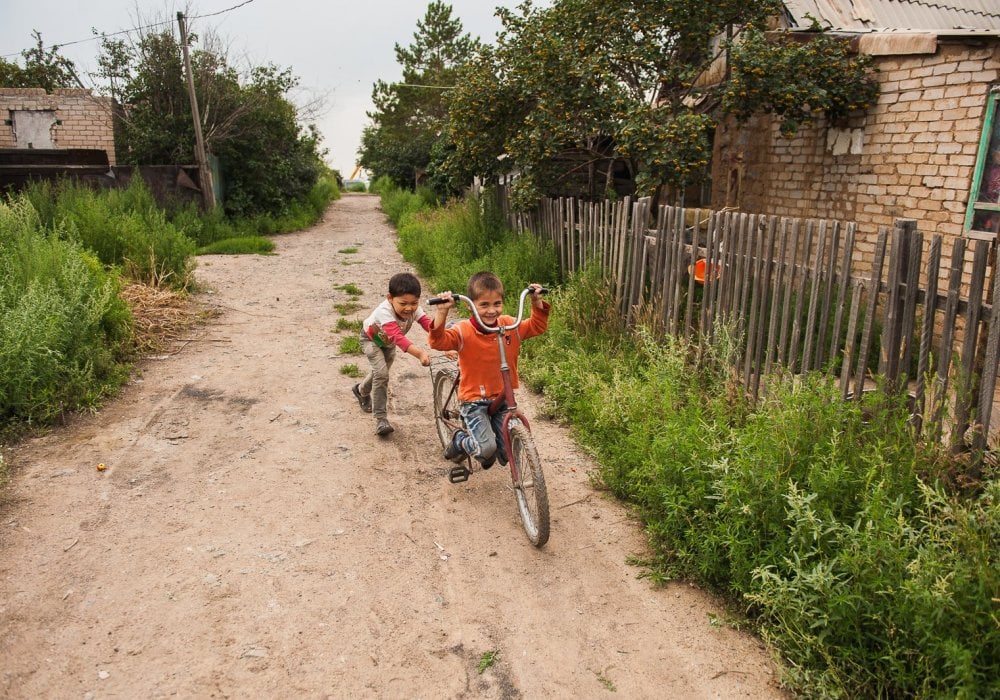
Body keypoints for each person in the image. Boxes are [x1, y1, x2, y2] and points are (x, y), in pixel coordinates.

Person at [428, 272, 550, 468]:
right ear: (470, 306)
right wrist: (442, 312)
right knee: (486, 451)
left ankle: (493, 447)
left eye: (497, 304)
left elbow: (537, 326)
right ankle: (460, 440)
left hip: (502, 398)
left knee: (507, 452)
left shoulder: (510, 324)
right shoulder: (463, 330)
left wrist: (536, 301)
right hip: (474, 400)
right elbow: (437, 341)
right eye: (484, 305)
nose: (492, 311)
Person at [352, 272, 432, 436]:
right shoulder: (384, 312)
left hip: (387, 344)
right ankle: (381, 419)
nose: (409, 308)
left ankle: (361, 390)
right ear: (390, 298)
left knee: (380, 373)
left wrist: (447, 342)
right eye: (403, 303)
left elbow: (429, 325)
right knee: (381, 374)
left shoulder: (414, 309)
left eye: (414, 303)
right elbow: (397, 337)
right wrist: (420, 353)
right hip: (371, 340)